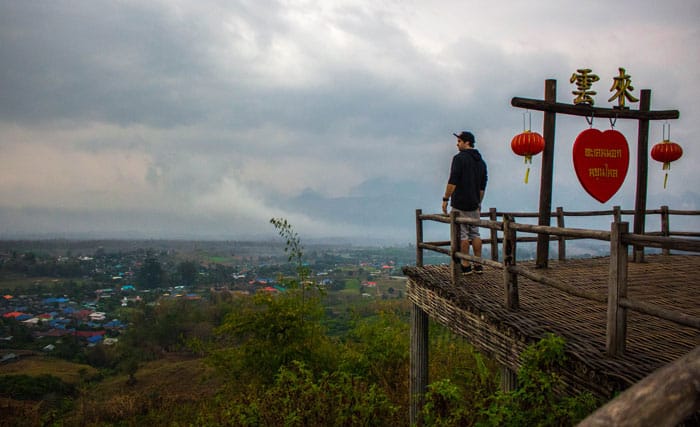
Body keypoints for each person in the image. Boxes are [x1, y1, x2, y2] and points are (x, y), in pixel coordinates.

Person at [442, 131, 488, 274]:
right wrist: (478, 202)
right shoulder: (481, 162)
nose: (457, 144)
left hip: (460, 202)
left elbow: (453, 180)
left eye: (459, 141)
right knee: (475, 233)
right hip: (474, 203)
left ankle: (465, 264)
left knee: (462, 235)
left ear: (467, 142)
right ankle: (478, 263)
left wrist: (445, 198)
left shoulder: (459, 159)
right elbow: (482, 186)